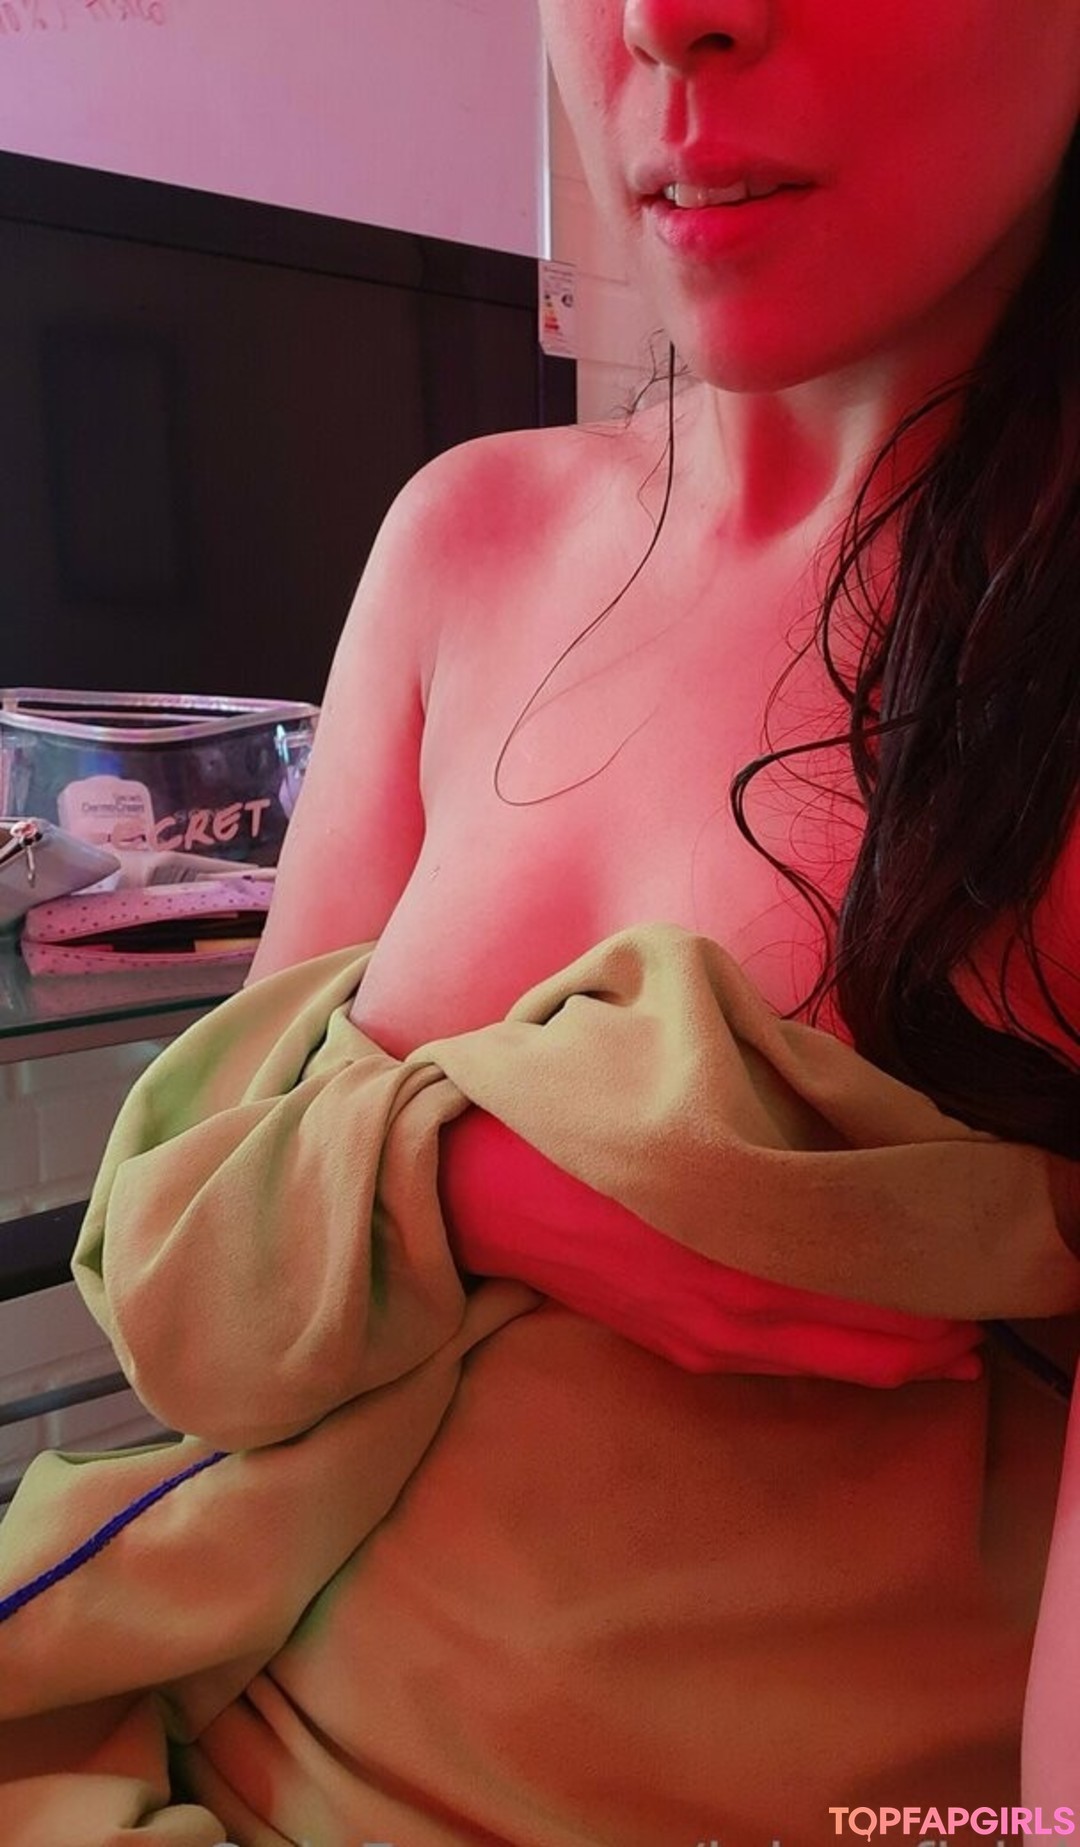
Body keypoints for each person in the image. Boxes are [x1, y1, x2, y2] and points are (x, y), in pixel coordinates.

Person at [1, 3, 1079, 1842]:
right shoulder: (467, 537)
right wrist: (475, 1183)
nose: (667, 18)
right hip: (204, 1722)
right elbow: (188, 1300)